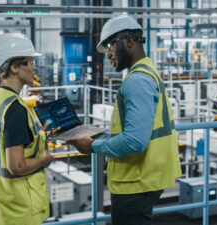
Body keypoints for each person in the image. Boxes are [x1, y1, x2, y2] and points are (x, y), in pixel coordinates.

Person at [68, 15, 182, 225]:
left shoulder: (136, 81)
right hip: (147, 176)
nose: (108, 54)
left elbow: (135, 141)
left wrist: (92, 145)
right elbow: (139, 129)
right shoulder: (147, 72)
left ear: (130, 41)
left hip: (136, 181)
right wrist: (102, 135)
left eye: (111, 45)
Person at [0, 33, 59, 225]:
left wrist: (38, 138)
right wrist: (43, 160)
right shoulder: (15, 108)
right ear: (13, 67)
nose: (34, 67)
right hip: (16, 210)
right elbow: (16, 166)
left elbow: (4, 141)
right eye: (29, 62)